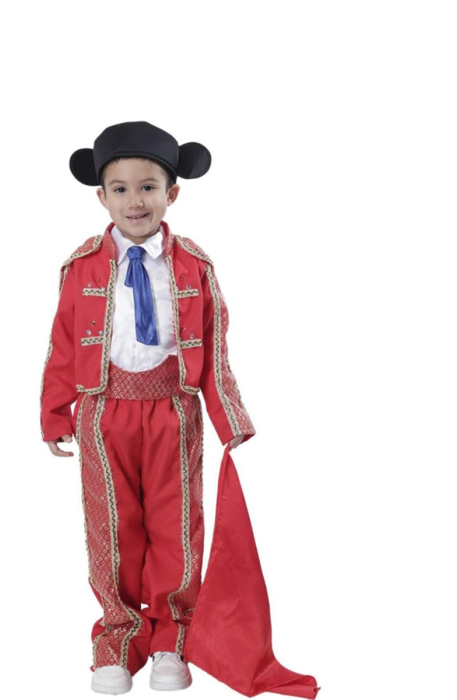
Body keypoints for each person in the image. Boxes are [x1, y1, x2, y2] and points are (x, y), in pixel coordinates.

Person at [40, 122, 319, 698]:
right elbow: (63, 342)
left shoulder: (193, 265)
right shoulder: (82, 265)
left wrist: (228, 418)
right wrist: (54, 412)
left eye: (148, 187)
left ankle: (172, 636)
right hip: (103, 413)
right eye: (120, 189)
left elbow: (214, 348)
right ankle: (118, 638)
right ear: (101, 197)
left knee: (176, 528)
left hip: (173, 411)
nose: (134, 201)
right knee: (112, 527)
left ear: (172, 193)